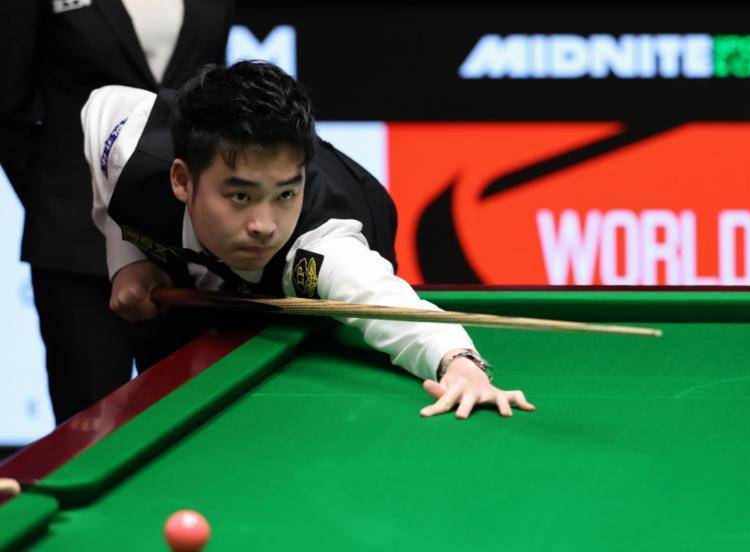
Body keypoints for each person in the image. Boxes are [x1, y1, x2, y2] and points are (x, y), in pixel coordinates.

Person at [81, 61, 535, 419]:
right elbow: (98, 105)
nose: (264, 225)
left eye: (285, 193)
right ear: (182, 180)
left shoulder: (322, 246)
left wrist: (458, 363)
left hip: (333, 240)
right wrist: (126, 257)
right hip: (188, 279)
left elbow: (383, 301)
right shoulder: (129, 149)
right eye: (240, 196)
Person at [0, 0, 233, 424]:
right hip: (76, 244)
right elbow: (7, 110)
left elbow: (216, 96)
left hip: (190, 239)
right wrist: (56, 197)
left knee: (194, 417)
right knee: (88, 424)